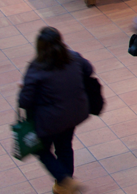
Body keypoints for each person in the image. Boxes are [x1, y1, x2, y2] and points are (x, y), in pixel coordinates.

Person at [17, 27, 93, 194]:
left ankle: (64, 181)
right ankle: (65, 185)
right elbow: (88, 70)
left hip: (50, 120)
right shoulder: (73, 57)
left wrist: (23, 87)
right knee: (65, 146)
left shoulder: (36, 68)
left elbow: (25, 100)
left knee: (40, 149)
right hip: (74, 112)